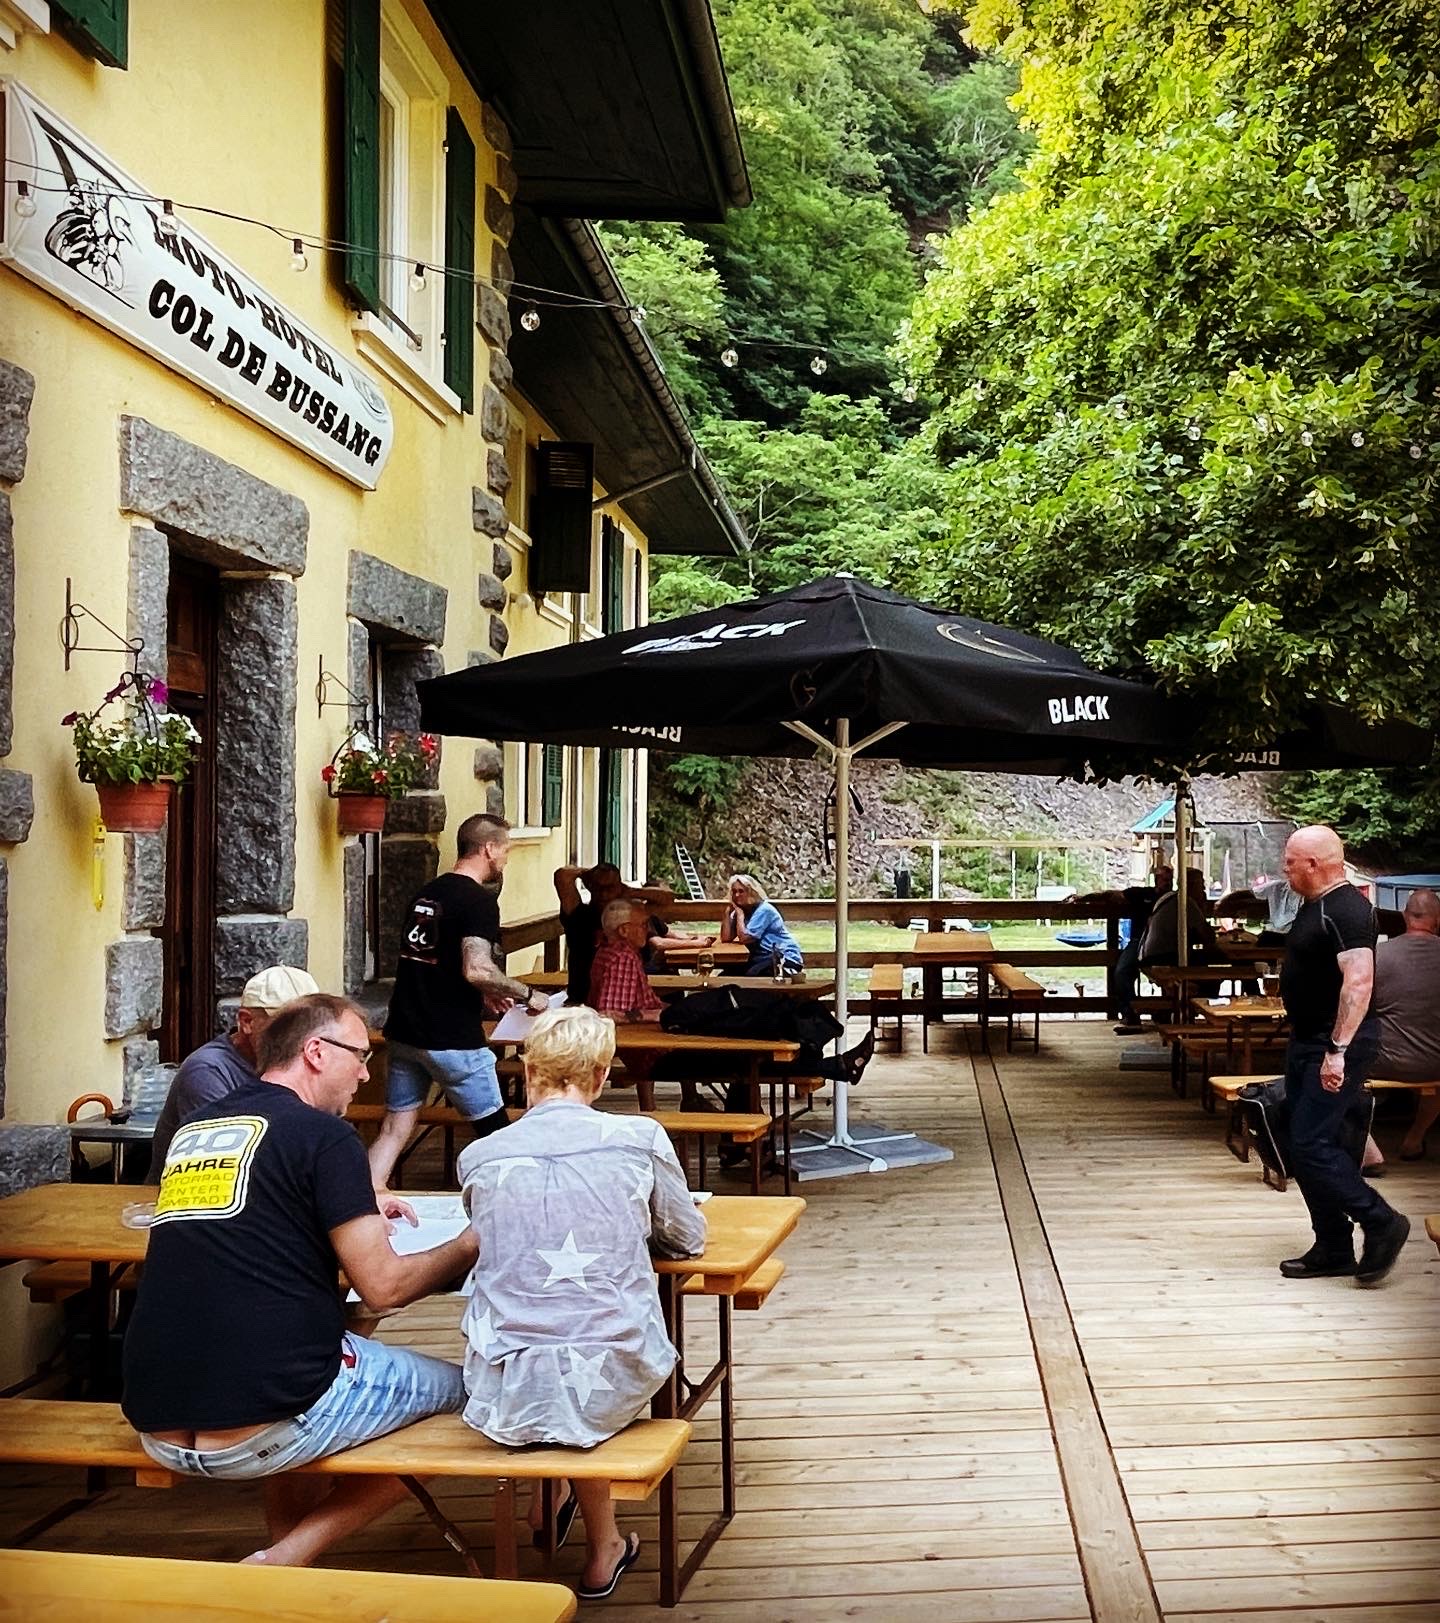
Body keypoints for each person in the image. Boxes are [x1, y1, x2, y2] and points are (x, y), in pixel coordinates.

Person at [122, 994, 478, 1568]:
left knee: (301, 1354)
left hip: (155, 1419)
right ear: (316, 1051)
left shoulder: (196, 1130)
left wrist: (350, 1206)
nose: (365, 1075)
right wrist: (467, 1243)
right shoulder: (324, 1135)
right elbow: (384, 1287)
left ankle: (286, 1558)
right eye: (360, 1056)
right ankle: (290, 1555)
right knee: (478, 1397)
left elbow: (254, 1216)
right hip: (269, 1421)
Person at [458, 1006, 705, 1602]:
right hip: (616, 1361)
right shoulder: (639, 1139)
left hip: (505, 1374)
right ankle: (602, 1545)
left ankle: (551, 1500)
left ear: (528, 1072)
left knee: (542, 1341)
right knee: (580, 1343)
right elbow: (686, 1237)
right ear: (600, 1076)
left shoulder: (481, 1156)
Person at [371, 814, 547, 1191]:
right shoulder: (478, 901)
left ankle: (366, 1197)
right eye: (505, 849)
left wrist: (486, 991)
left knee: (394, 1128)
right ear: (489, 848)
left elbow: (437, 960)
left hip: (404, 1031)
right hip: (452, 1038)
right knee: (496, 1136)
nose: (506, 858)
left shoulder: (426, 894)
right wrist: (529, 994)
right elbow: (477, 968)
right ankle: (514, 1203)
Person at [1275, 826, 1409, 1283]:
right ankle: (1332, 1246)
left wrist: (1337, 1050)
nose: (1285, 868)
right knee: (1306, 1141)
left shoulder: (1347, 909)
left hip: (1333, 1043)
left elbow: (1359, 982)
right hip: (1309, 1039)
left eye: (1291, 861)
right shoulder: (1316, 906)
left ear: (1313, 864)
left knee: (1310, 1144)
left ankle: (1381, 1220)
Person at [146, 964, 320, 1176]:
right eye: (286, 1027)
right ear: (247, 1022)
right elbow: (227, 1163)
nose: (300, 1038)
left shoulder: (304, 1063)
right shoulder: (208, 1071)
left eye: (310, 1027)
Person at [1374, 887, 1440, 1161]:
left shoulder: (1378, 955)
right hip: (1435, 1062)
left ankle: (1365, 1145)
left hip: (1383, 1062)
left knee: (1338, 1059)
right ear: (1438, 920)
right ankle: (1414, 1137)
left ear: (1404, 916)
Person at [589, 899, 664, 1110]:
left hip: (642, 1041)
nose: (648, 930)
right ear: (624, 930)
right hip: (644, 1047)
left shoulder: (607, 951)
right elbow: (609, 1014)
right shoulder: (622, 957)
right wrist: (656, 1015)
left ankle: (653, 1108)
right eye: (643, 924)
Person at [1104, 865, 1171, 1032]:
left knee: (1171, 975)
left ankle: (1166, 1011)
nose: (1167, 882)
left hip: (1164, 945)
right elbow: (1114, 895)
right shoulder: (1142, 894)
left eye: (1169, 879)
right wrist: (1085, 898)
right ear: (1156, 880)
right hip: (1139, 942)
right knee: (1121, 972)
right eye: (1163, 879)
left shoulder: (1174, 899)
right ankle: (1130, 1014)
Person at [719, 874, 802, 977]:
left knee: (750, 977)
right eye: (734, 891)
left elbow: (745, 938)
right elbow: (726, 938)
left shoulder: (764, 910)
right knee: (725, 976)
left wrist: (740, 915)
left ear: (751, 892)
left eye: (741, 891)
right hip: (761, 958)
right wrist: (728, 912)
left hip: (784, 958)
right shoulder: (744, 909)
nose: (737, 895)